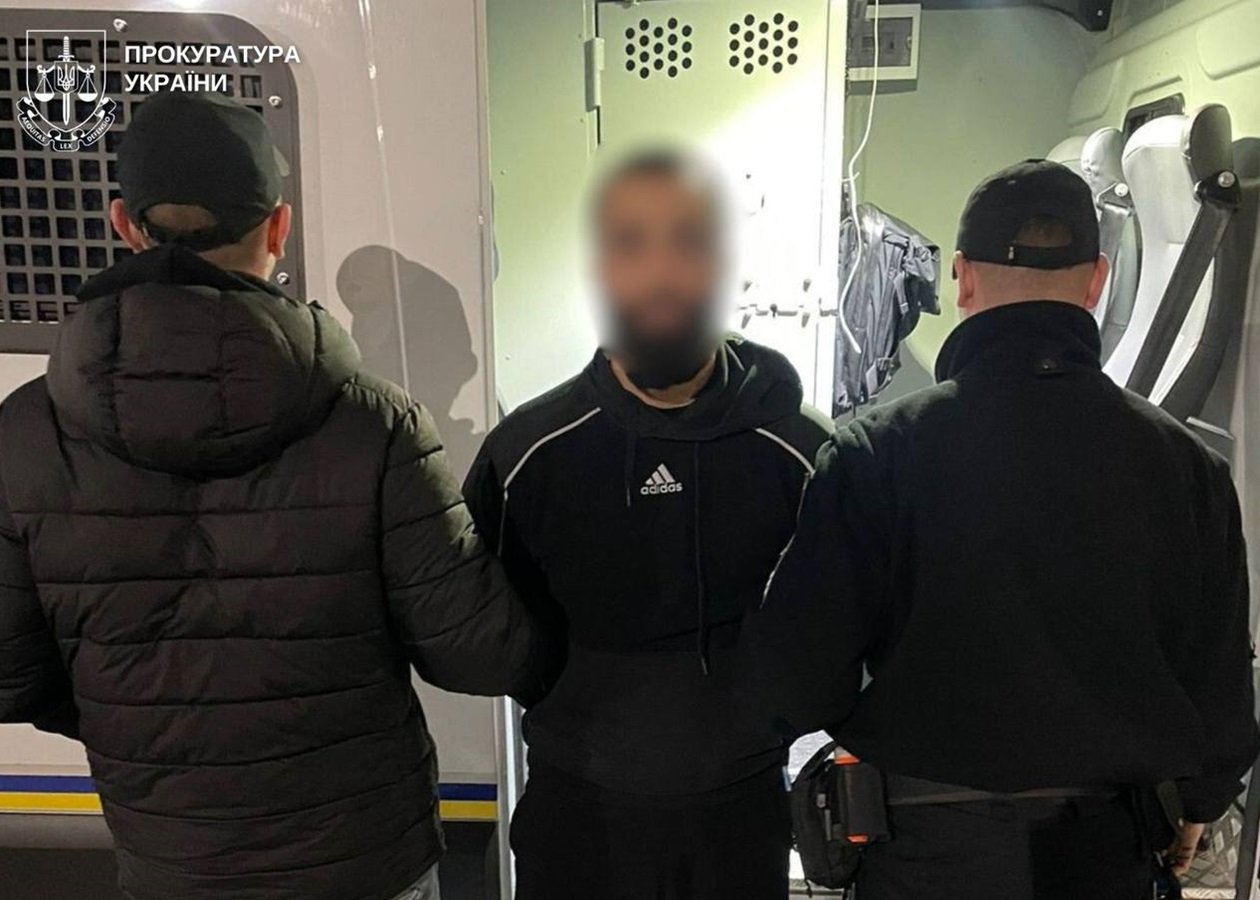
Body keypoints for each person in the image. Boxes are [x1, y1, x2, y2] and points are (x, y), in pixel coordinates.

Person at [0, 91, 544, 900]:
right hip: (365, 865)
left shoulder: (25, 435)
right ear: (278, 228)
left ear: (123, 224)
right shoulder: (374, 424)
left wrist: (137, 717)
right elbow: (483, 653)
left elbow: (11, 676)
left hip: (174, 866)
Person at [751, 160, 1259, 900]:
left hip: (924, 852)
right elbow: (1220, 681)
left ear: (961, 279)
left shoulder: (875, 454)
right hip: (1107, 851)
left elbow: (798, 676)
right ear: (1098, 282)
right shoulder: (1189, 468)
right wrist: (1202, 804)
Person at [464, 148, 833, 900]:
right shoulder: (527, 453)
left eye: (687, 244)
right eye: (633, 245)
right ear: (602, 272)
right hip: (577, 812)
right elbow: (481, 629)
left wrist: (765, 715)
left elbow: (842, 623)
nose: (661, 273)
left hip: (739, 818)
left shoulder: (804, 452)